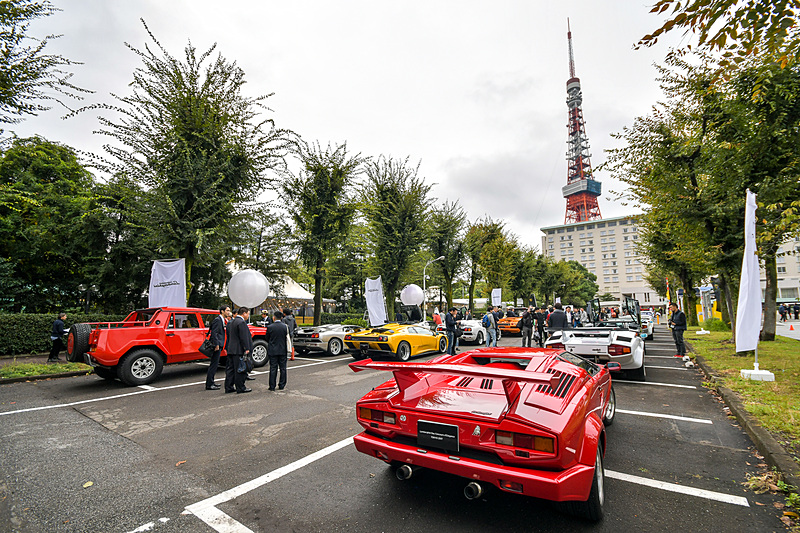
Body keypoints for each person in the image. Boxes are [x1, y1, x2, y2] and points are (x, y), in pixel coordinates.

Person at [224, 307, 253, 394]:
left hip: (231, 348)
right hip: (238, 349)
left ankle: (228, 387)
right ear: (244, 313)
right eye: (248, 314)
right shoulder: (241, 322)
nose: (248, 316)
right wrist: (247, 348)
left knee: (231, 369)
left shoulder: (232, 321)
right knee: (240, 369)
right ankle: (241, 387)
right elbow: (243, 337)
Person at [206, 305, 230, 390]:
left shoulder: (221, 320)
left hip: (219, 344)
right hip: (217, 345)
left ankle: (212, 382)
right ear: (222, 311)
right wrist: (216, 344)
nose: (228, 312)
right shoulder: (218, 320)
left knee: (215, 364)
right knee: (214, 364)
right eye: (227, 310)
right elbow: (214, 333)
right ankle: (209, 384)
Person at [266, 310, 289, 391]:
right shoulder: (285, 327)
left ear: (274, 317)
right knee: (283, 368)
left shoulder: (270, 327)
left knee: (273, 368)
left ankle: (272, 386)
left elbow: (267, 338)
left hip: (273, 350)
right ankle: (282, 385)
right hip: (283, 349)